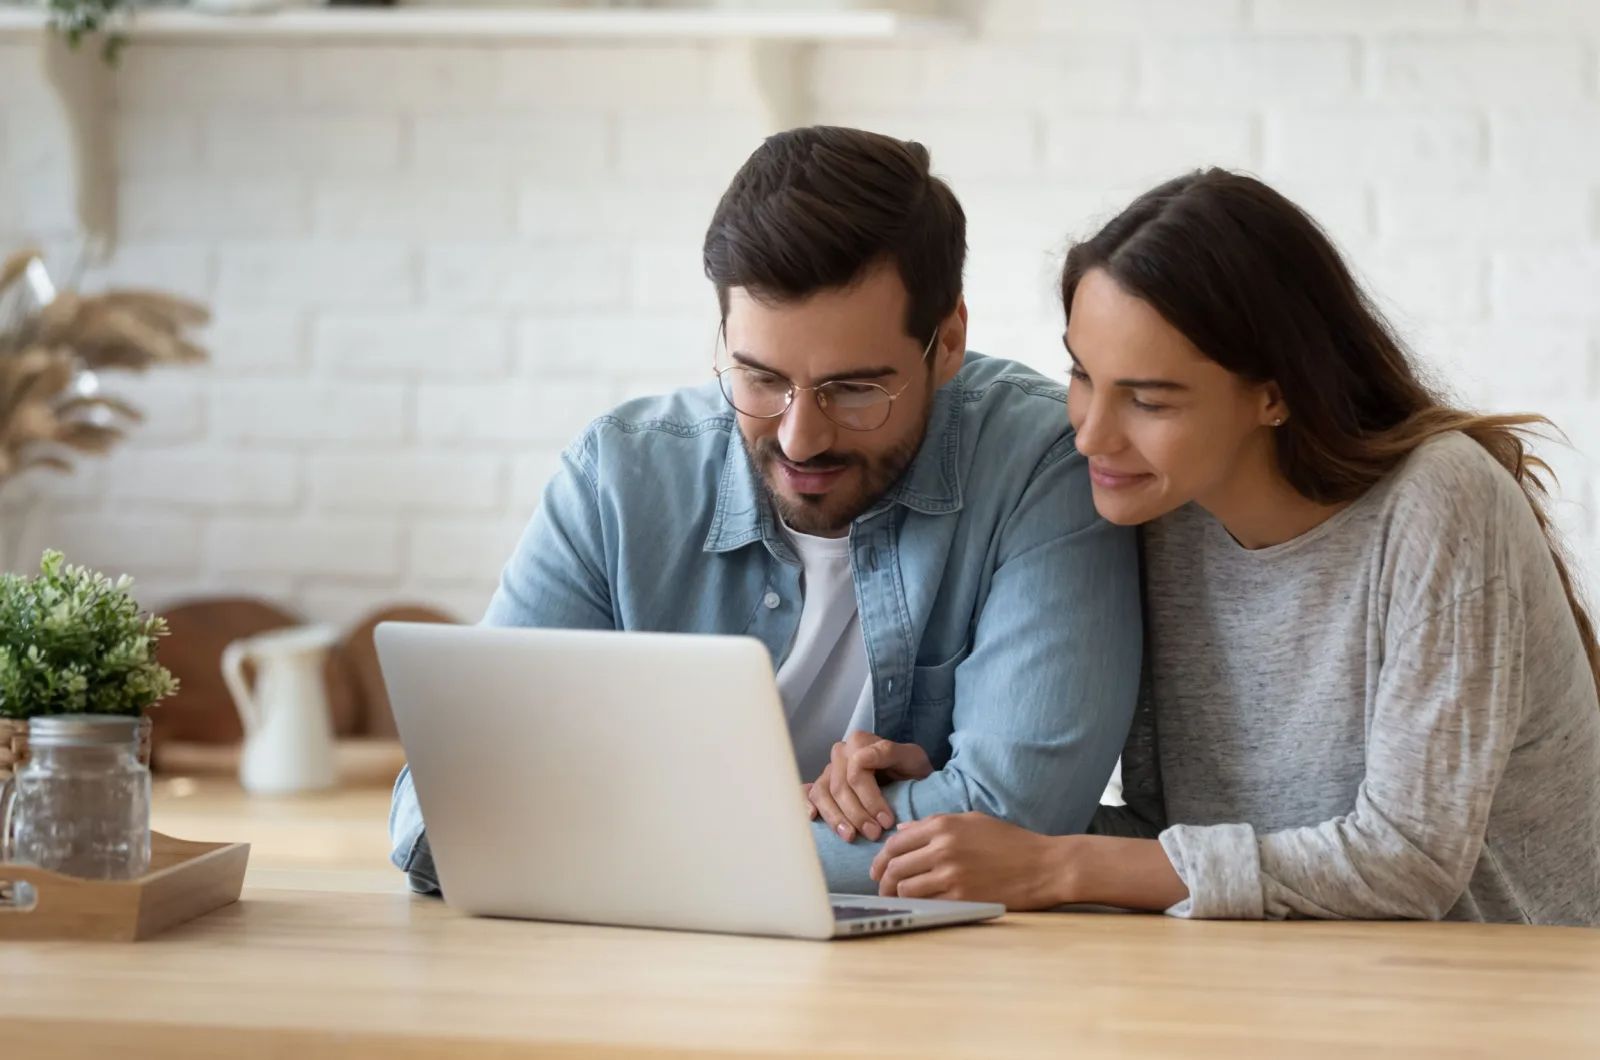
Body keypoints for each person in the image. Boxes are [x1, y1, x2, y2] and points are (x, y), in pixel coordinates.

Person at [389, 126, 1142, 897]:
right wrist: (775, 826)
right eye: (759, 378)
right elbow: (440, 816)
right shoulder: (618, 478)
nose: (800, 437)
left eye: (853, 390)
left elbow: (1016, 820)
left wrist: (617, 836)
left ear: (947, 342)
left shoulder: (1041, 465)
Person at [869, 169, 1600, 925]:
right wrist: (958, 815)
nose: (1088, 434)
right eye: (1083, 376)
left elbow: (1408, 863)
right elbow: (1181, 849)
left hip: (1496, 997)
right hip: (1282, 986)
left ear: (1274, 393)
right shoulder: (1161, 511)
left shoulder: (1440, 500)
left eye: (1149, 400)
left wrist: (1058, 862)